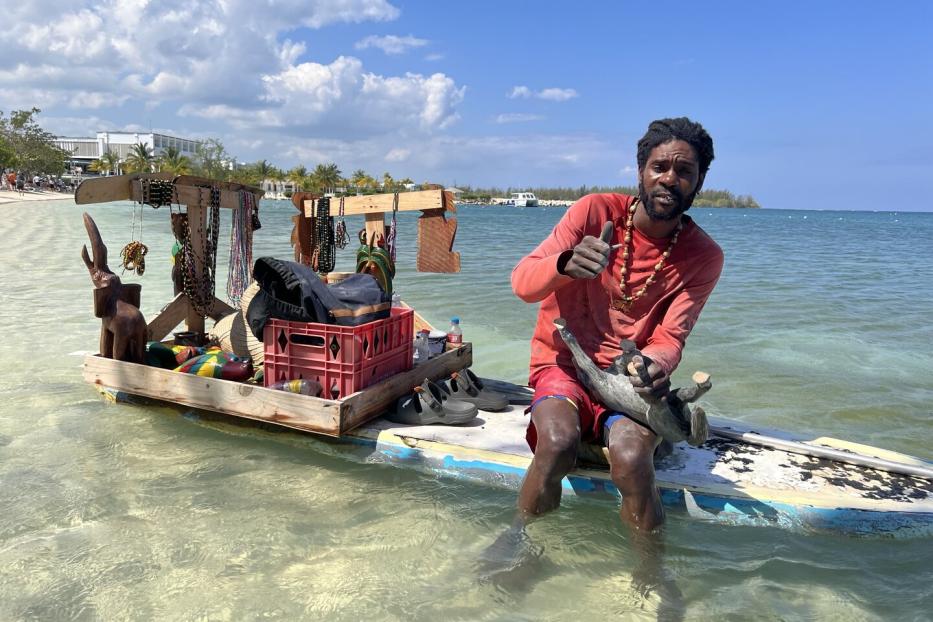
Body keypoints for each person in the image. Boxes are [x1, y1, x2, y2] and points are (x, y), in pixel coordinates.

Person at [511, 117, 724, 532]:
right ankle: (519, 541)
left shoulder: (703, 255)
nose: (669, 179)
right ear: (641, 171)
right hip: (563, 366)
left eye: (684, 171)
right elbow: (523, 283)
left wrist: (653, 367)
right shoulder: (594, 212)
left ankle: (650, 570)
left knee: (631, 459)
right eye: (659, 167)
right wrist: (564, 264)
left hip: (626, 384)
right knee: (556, 444)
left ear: (699, 182)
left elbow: (670, 337)